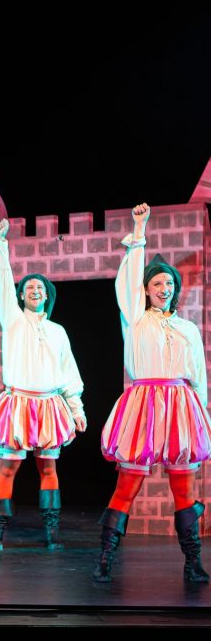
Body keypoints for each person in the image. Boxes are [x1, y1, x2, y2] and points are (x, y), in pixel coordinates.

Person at [94, 203, 211, 582]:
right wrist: (139, 230)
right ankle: (106, 558)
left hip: (180, 404)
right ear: (146, 289)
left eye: (169, 284)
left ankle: (192, 562)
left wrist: (202, 415)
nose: (164, 288)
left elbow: (199, 376)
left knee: (183, 487)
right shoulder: (135, 318)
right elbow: (124, 283)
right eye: (157, 283)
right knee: (127, 483)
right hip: (144, 403)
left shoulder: (188, 329)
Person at [0, 218, 86, 548]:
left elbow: (68, 371)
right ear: (22, 296)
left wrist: (76, 408)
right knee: (8, 468)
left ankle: (51, 531)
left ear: (47, 296)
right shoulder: (13, 321)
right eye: (29, 288)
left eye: (40, 288)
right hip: (19, 404)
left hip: (50, 404)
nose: (35, 291)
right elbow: (1, 284)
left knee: (48, 468)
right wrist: (1, 245)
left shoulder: (57, 332)